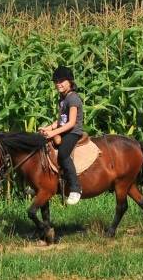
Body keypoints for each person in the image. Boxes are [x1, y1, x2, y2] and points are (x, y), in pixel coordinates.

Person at [39, 66, 84, 205]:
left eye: (61, 81)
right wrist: (47, 128)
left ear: (70, 82)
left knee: (63, 154)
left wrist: (53, 132)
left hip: (73, 132)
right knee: (42, 145)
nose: (58, 84)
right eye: (56, 81)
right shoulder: (63, 99)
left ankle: (76, 188)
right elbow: (60, 121)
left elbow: (70, 123)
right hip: (63, 129)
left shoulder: (73, 99)